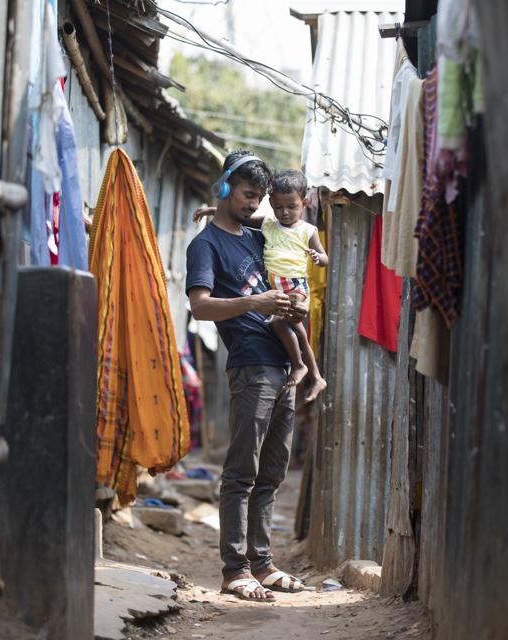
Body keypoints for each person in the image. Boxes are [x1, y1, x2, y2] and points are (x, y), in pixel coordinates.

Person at [185, 150, 308, 602]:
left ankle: (263, 563)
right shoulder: (205, 245)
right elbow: (199, 306)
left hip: (283, 365)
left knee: (272, 472)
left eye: (259, 198)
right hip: (251, 365)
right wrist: (253, 304)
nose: (254, 205)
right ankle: (234, 569)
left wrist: (291, 303)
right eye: (247, 195)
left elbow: (288, 240)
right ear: (224, 188)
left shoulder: (257, 236)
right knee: (241, 473)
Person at [194, 169, 328, 403]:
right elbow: (242, 219)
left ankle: (303, 368)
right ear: (271, 204)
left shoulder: (308, 230)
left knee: (288, 323)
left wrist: (318, 258)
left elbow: (324, 257)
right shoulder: (268, 225)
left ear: (304, 203)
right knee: (291, 327)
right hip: (275, 289)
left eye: (292, 207)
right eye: (278, 207)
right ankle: (310, 372)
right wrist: (212, 210)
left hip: (294, 284)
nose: (284, 213)